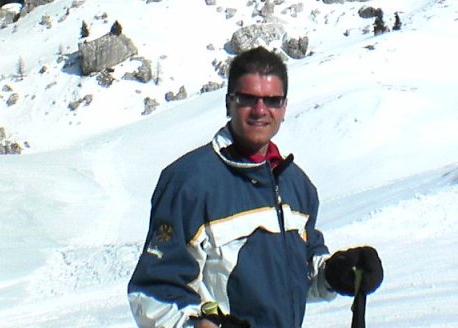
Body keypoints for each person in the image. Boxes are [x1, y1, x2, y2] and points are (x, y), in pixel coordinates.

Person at [128, 46, 383, 328]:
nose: (260, 110)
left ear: (284, 107)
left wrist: (337, 273)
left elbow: (299, 277)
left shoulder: (296, 185)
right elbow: (152, 292)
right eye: (248, 98)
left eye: (272, 100)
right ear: (229, 103)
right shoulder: (190, 183)